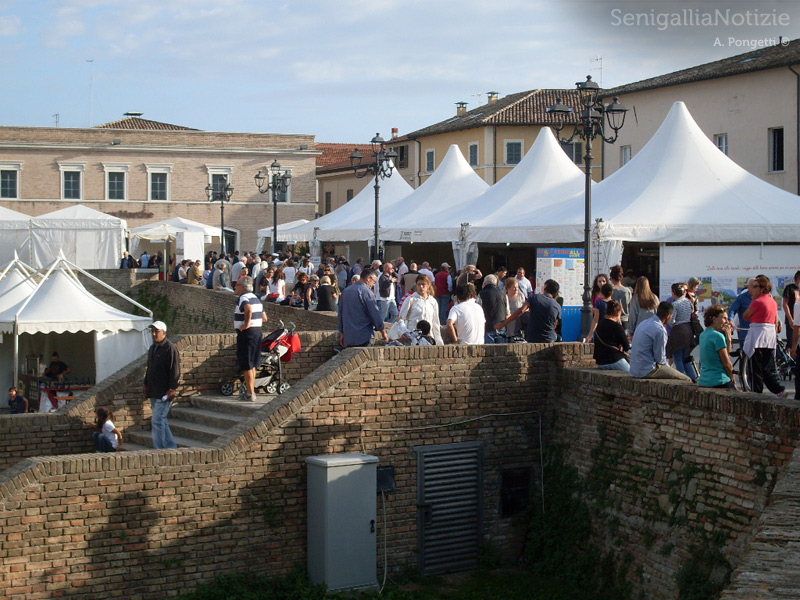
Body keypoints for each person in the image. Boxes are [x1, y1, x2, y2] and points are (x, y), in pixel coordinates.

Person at [742, 274, 786, 397]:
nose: (752, 289)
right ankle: (778, 389)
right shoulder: (772, 301)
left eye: (755, 286)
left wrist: (752, 301)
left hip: (758, 335)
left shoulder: (757, 301)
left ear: (762, 288)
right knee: (766, 367)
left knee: (755, 368)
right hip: (769, 336)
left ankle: (757, 393)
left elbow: (746, 316)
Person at [630, 302, 693, 381]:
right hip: (647, 370)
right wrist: (669, 369)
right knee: (685, 379)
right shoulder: (659, 330)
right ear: (668, 316)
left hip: (635, 369)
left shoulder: (643, 323)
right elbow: (660, 359)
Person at [143, 321, 180, 449]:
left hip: (165, 392)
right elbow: (150, 368)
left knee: (157, 421)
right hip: (155, 390)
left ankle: (158, 449)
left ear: (164, 333)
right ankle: (170, 447)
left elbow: (174, 370)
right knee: (161, 421)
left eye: (156, 331)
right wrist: (146, 384)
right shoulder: (153, 348)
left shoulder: (170, 348)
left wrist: (172, 388)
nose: (154, 334)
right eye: (152, 331)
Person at [497, 279, 562, 343]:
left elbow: (521, 311)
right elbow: (554, 326)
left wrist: (503, 323)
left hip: (533, 337)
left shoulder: (534, 297)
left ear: (545, 287)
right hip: (549, 338)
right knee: (558, 337)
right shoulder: (557, 306)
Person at [338, 268, 388, 347]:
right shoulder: (366, 292)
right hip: (364, 335)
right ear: (368, 278)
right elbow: (374, 313)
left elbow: (341, 313)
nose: (373, 285)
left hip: (349, 336)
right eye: (374, 282)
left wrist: (341, 332)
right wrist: (383, 331)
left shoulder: (345, 291)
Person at [234, 276, 265, 402]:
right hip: (257, 332)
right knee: (252, 364)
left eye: (237, 285)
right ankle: (251, 391)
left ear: (243, 286)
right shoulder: (256, 298)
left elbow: (248, 309)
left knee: (247, 364)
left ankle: (250, 393)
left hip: (247, 333)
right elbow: (265, 317)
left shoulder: (243, 298)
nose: (235, 287)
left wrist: (246, 324)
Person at [397, 274, 443, 345]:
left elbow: (435, 322)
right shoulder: (410, 299)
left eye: (423, 284)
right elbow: (400, 318)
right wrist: (403, 333)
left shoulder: (432, 301)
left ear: (428, 285)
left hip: (428, 339)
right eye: (419, 284)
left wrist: (439, 342)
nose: (421, 287)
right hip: (413, 339)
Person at [697, 306, 736, 390]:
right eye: (724, 318)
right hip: (719, 380)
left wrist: (728, 339)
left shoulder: (703, 335)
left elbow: (726, 354)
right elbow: (727, 363)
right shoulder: (718, 336)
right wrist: (732, 379)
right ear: (714, 319)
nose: (726, 322)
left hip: (704, 380)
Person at [667, 282, 699, 382]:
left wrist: (668, 322)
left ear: (673, 293)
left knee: (677, 357)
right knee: (686, 357)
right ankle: (693, 378)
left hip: (678, 331)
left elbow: (672, 321)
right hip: (688, 329)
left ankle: (682, 379)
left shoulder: (675, 304)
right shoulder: (688, 302)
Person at [593, 300, 630, 372]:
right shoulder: (617, 326)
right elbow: (626, 347)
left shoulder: (600, 324)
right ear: (618, 313)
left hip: (601, 362)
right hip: (615, 360)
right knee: (632, 374)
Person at [478, 274, 508, 344]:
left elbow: (478, 310)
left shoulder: (481, 294)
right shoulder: (503, 293)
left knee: (489, 352)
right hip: (502, 327)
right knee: (502, 352)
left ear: (485, 283)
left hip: (488, 327)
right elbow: (507, 311)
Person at [728, 279, 754, 349]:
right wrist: (730, 320)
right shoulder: (741, 298)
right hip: (745, 330)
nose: (756, 288)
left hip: (758, 331)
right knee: (744, 353)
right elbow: (732, 309)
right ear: (748, 287)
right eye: (754, 286)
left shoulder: (762, 297)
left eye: (758, 286)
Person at [609, 265, 632, 331]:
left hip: (612, 319)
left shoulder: (610, 290)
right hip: (625, 320)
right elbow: (630, 306)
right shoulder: (627, 291)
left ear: (612, 278)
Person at [782, 271, 800, 349]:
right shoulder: (790, 288)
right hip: (792, 320)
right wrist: (790, 319)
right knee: (791, 343)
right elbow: (785, 303)